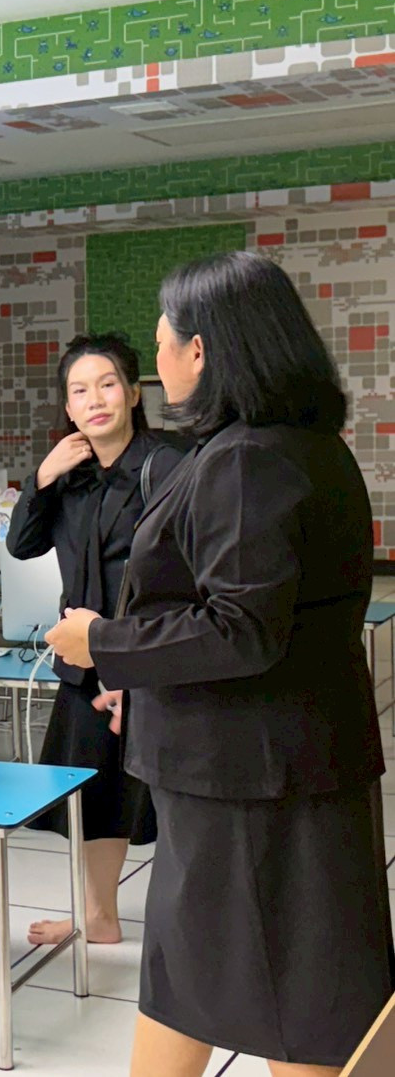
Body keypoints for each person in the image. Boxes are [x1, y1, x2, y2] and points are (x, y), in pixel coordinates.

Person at [45, 253, 393, 1076]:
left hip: (254, 784)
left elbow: (240, 628)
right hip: (255, 763)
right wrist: (146, 681)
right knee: (199, 980)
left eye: (163, 343)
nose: (156, 364)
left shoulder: (246, 459)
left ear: (198, 351)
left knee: (299, 1001)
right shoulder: (299, 446)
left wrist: (104, 643)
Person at [6, 332, 183, 948]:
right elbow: (21, 545)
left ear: (133, 393)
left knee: (171, 797)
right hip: (84, 663)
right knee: (95, 792)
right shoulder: (70, 476)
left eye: (107, 384)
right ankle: (99, 915)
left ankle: (192, 926)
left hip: (150, 657)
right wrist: (43, 475)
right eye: (79, 391)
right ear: (68, 405)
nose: (95, 400)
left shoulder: (167, 465)